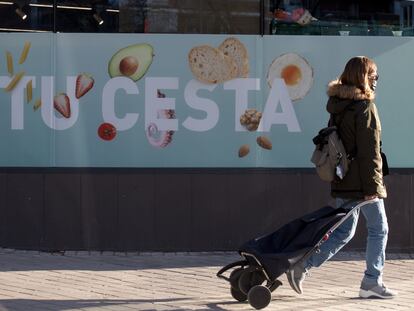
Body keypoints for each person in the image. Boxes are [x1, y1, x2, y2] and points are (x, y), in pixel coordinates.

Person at [286, 56, 397, 299]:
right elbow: (370, 153)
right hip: (362, 183)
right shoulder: (364, 107)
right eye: (373, 75)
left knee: (342, 232)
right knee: (380, 229)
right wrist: (374, 188)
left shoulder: (338, 105)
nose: (376, 80)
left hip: (343, 178)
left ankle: (302, 266)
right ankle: (371, 281)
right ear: (363, 77)